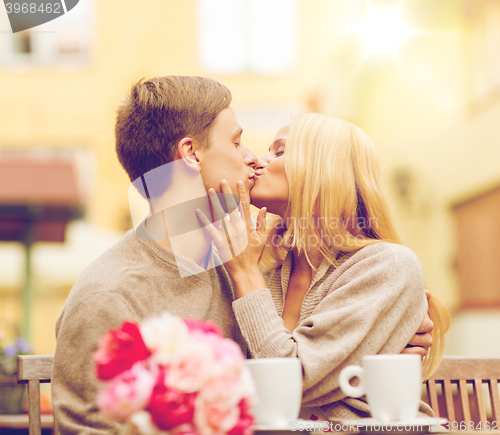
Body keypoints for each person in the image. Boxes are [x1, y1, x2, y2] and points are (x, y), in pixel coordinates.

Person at [52, 76, 433, 433]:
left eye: (277, 150)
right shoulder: (111, 294)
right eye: (237, 142)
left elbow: (299, 356)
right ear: (191, 154)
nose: (253, 159)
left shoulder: (244, 264)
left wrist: (389, 331)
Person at [197, 113, 449, 420]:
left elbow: (291, 381)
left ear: (324, 170)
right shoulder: (268, 270)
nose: (255, 160)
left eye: (279, 151)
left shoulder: (387, 265)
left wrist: (245, 274)